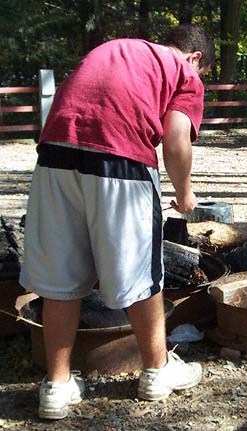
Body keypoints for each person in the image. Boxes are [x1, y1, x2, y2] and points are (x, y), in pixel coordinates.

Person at [19, 24, 215, 420]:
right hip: (121, 159)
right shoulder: (184, 73)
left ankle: (56, 387)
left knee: (61, 277)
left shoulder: (118, 49)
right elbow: (176, 139)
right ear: (194, 59)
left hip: (55, 154)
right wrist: (184, 191)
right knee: (141, 273)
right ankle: (157, 372)